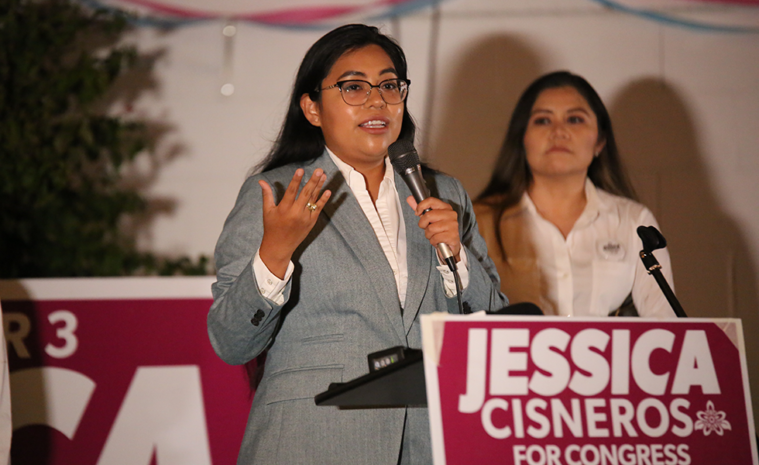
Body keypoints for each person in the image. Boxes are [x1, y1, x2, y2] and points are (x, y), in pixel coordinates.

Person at [207, 24, 507, 464]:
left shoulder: (444, 194)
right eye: (353, 87)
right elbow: (230, 341)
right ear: (312, 108)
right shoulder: (275, 194)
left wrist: (458, 257)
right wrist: (275, 253)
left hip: (431, 444)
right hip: (313, 442)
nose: (377, 100)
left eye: (389, 85)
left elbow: (499, 327)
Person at [475, 71, 675, 318]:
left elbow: (666, 328)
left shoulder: (634, 221)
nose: (559, 131)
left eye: (575, 119)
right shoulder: (478, 221)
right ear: (522, 139)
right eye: (543, 121)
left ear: (600, 141)